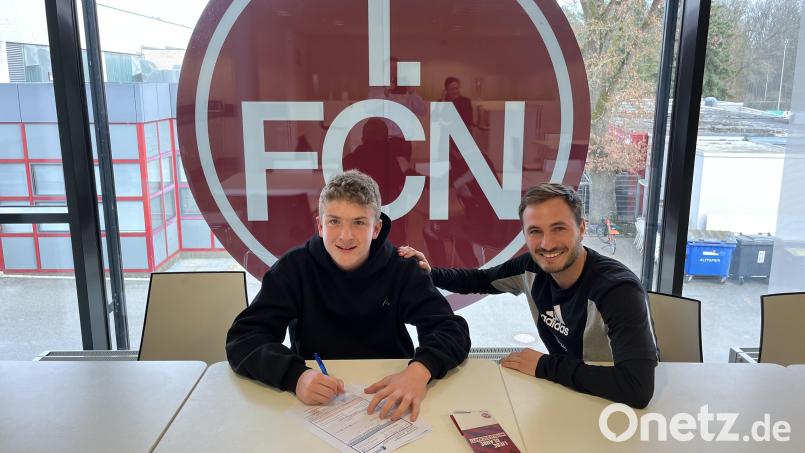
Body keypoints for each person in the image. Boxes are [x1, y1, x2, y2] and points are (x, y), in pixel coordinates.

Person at [226, 170, 471, 421]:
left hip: (390, 393)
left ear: (376, 228)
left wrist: (419, 371)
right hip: (317, 398)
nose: (345, 236)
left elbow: (451, 330)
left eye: (359, 222)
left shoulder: (402, 268)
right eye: (334, 221)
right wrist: (295, 376)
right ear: (320, 225)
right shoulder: (292, 269)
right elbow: (244, 338)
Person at [399, 183, 658, 408]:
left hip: (611, 407)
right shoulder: (531, 267)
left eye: (559, 228)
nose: (547, 244)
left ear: (581, 229)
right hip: (568, 393)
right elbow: (480, 279)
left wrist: (545, 366)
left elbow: (637, 388)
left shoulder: (617, 291)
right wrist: (431, 272)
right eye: (535, 231)